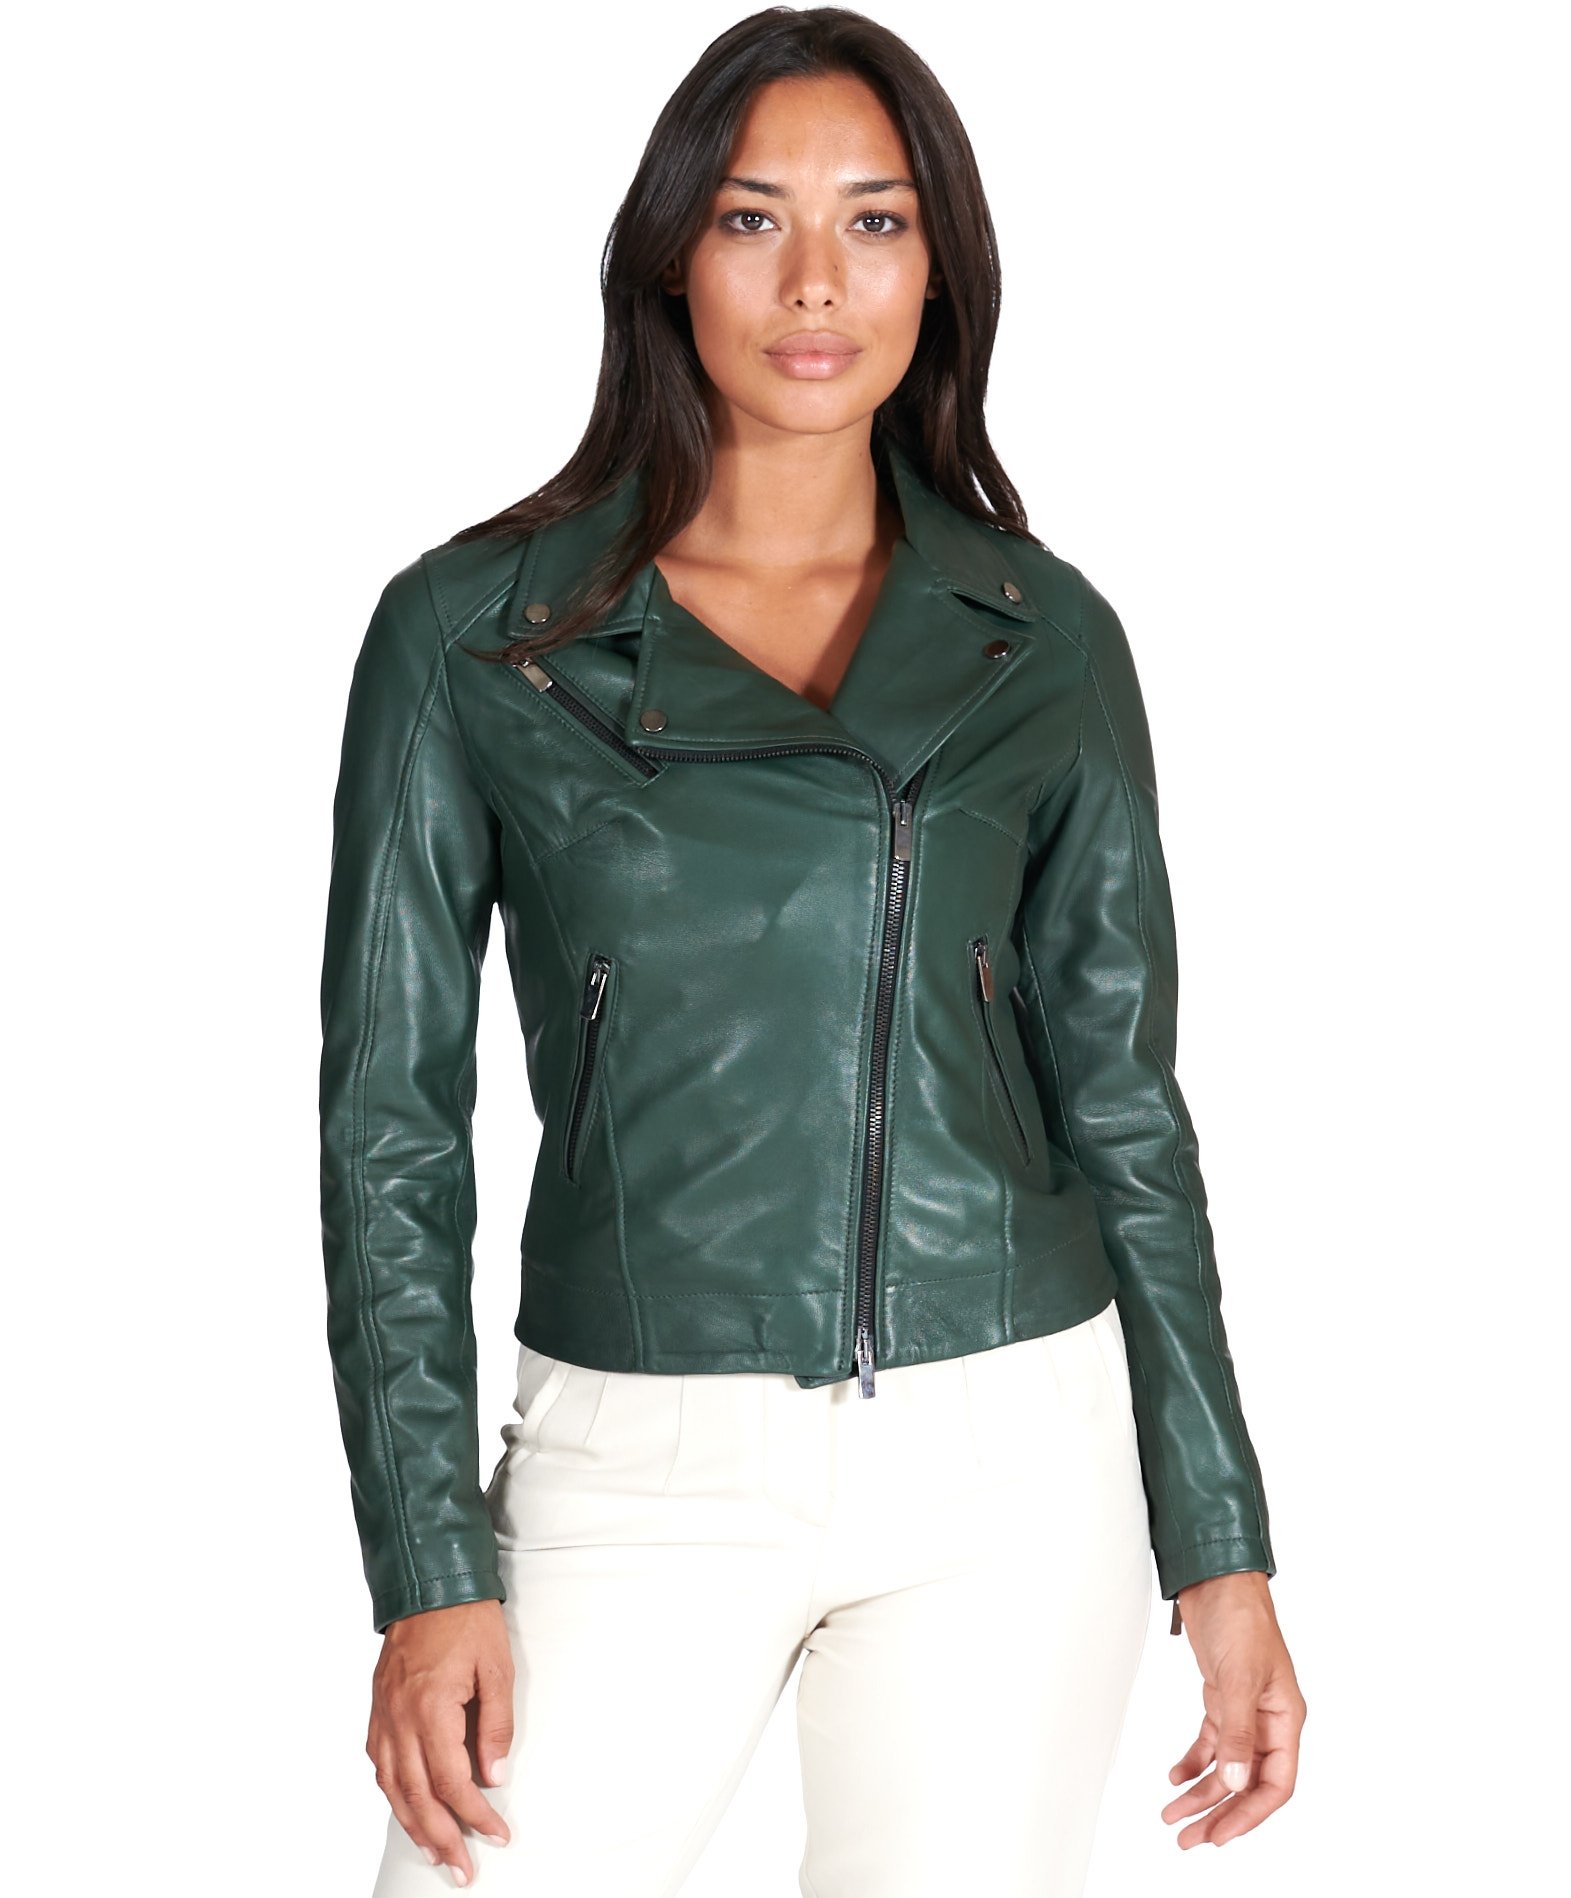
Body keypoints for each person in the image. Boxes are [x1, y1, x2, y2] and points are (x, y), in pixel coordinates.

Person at [318, 9, 1307, 1894]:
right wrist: (430, 1565)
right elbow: (389, 1132)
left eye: (876, 220)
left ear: (940, 267)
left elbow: (1127, 1106)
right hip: (631, 1458)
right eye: (753, 218)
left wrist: (1224, 1540)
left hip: (1013, 1458)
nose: (815, 283)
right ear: (669, 254)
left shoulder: (1045, 639)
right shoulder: (474, 637)